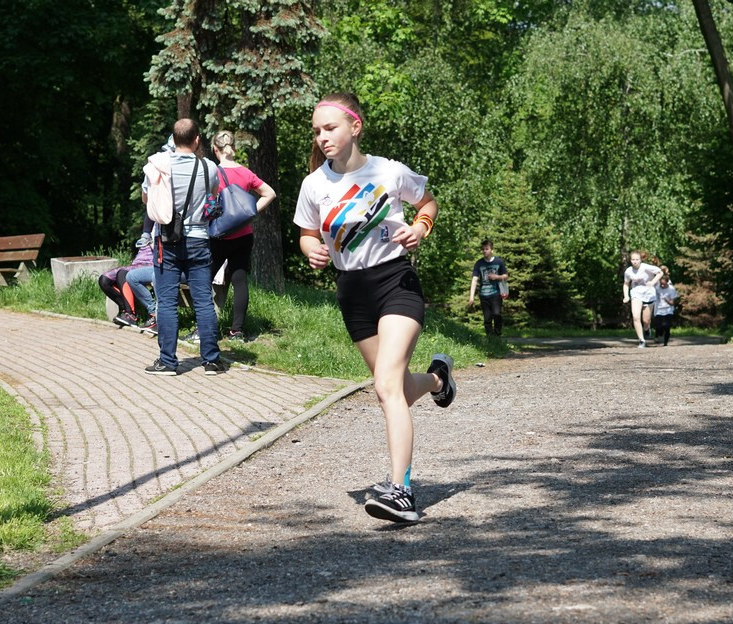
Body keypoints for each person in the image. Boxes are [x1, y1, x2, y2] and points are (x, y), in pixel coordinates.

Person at [294, 92, 456, 524]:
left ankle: (402, 491)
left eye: (330, 128)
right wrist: (312, 249)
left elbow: (428, 203)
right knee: (397, 389)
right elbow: (307, 233)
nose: (322, 137)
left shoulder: (388, 171)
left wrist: (421, 227)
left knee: (385, 387)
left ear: (355, 127)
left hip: (395, 281)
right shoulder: (314, 185)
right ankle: (439, 380)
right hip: (352, 291)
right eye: (317, 131)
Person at [141, 118, 225, 376]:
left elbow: (146, 199)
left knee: (166, 301)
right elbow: (214, 195)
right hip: (199, 239)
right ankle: (211, 360)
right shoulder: (209, 167)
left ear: (173, 139)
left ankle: (167, 361)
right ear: (197, 139)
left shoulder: (156, 165)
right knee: (203, 299)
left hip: (166, 240)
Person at [208, 130, 277, 342]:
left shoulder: (213, 173)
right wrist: (250, 213)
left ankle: (205, 328)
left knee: (204, 280)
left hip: (219, 235)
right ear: (234, 148)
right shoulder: (246, 173)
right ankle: (237, 331)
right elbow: (270, 193)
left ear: (215, 149)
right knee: (240, 280)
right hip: (244, 235)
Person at [99, 219, 155, 331]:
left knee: (122, 274)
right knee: (104, 280)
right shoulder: (149, 224)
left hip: (151, 264)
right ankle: (126, 310)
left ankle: (131, 315)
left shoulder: (164, 222)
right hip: (138, 263)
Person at [622, 251, 663, 348]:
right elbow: (626, 283)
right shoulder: (628, 271)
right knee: (636, 317)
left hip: (648, 294)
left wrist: (652, 282)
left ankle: (647, 328)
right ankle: (641, 340)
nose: (635, 262)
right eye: (633, 259)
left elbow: (660, 272)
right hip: (636, 294)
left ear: (640, 260)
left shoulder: (646, 267)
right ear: (630, 260)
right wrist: (626, 296)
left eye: (637, 259)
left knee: (646, 320)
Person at [468, 239, 508, 336]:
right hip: (484, 295)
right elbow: (474, 280)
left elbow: (505, 276)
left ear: (492, 250)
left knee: (497, 315)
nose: (485, 251)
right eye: (483, 249)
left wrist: (496, 277)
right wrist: (471, 297)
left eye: (487, 249)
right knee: (487, 318)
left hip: (496, 294)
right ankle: (490, 339)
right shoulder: (479, 263)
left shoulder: (499, 262)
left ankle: (497, 335)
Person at [652, 275, 678, 346]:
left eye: (664, 284)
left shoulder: (671, 289)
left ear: (667, 282)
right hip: (658, 310)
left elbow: (672, 303)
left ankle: (665, 343)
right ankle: (659, 335)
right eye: (661, 284)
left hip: (668, 310)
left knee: (667, 326)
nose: (662, 285)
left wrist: (667, 300)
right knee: (659, 326)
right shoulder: (656, 288)